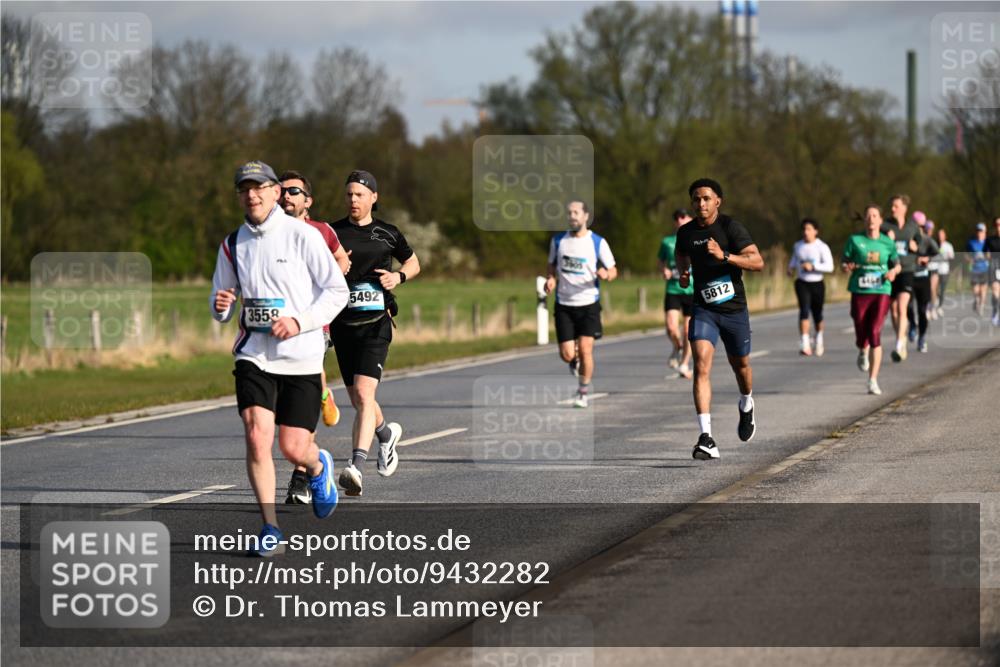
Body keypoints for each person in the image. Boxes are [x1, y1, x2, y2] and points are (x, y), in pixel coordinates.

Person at [211, 160, 348, 555]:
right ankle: (270, 528)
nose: (251, 195)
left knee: (292, 448)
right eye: (244, 189)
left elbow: (336, 292)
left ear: (275, 192)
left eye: (259, 187)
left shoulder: (303, 236)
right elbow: (220, 300)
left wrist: (300, 322)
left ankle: (318, 465)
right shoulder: (232, 243)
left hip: (301, 358)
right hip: (253, 355)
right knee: (257, 437)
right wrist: (220, 306)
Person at [331, 170, 418, 497]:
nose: (353, 200)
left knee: (365, 396)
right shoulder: (333, 233)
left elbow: (414, 262)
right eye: (349, 194)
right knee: (357, 399)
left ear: (373, 198)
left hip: (376, 325)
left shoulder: (388, 233)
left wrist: (398, 278)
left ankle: (355, 466)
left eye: (359, 194)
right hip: (343, 327)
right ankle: (386, 436)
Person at [675, 178, 764, 460]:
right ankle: (706, 438)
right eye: (696, 199)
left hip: (734, 310)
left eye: (705, 198)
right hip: (704, 309)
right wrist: (684, 271)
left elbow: (757, 262)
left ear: (717, 201)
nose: (700, 203)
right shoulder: (686, 232)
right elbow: (681, 254)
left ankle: (746, 402)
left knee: (742, 366)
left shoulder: (730, 227)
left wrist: (724, 255)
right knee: (701, 364)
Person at [278, 170, 352, 505]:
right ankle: (323, 391)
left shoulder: (321, 231)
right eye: (281, 191)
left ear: (308, 201)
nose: (286, 196)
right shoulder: (268, 233)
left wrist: (330, 279)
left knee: (301, 401)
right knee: (284, 405)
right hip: (276, 333)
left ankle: (300, 478)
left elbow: (341, 261)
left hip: (311, 328)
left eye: (294, 191)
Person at [545, 199, 618, 407]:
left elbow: (613, 269)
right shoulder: (558, 241)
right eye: (569, 213)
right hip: (564, 304)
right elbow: (551, 265)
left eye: (576, 212)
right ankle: (574, 361)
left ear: (586, 216)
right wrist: (550, 279)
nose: (572, 216)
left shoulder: (597, 242)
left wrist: (606, 274)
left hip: (588, 303)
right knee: (567, 354)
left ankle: (583, 391)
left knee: (586, 349)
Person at [842, 205, 900, 396]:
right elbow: (844, 262)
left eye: (875, 216)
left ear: (880, 220)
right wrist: (847, 266)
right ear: (865, 220)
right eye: (868, 216)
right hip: (860, 290)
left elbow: (897, 265)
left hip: (881, 290)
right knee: (861, 327)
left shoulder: (887, 242)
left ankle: (873, 380)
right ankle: (862, 349)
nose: (871, 219)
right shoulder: (855, 240)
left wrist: (893, 272)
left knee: (875, 331)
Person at [881, 195, 921, 362]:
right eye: (891, 206)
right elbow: (877, 243)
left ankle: (899, 343)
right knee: (894, 309)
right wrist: (886, 238)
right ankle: (902, 338)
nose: (892, 209)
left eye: (896, 206)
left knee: (902, 306)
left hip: (907, 270)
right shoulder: (885, 226)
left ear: (904, 208)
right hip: (890, 270)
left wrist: (915, 246)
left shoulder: (913, 226)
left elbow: (921, 244)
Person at [786, 218, 834, 356]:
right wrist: (790, 268)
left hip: (817, 284)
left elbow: (830, 267)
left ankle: (819, 338)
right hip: (802, 283)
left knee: (817, 314)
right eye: (804, 229)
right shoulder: (798, 246)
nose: (806, 232)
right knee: (804, 310)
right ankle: (805, 343)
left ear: (815, 231)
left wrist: (813, 266)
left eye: (809, 229)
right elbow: (794, 259)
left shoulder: (822, 247)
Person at [658, 208, 694, 378]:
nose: (679, 220)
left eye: (682, 216)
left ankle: (685, 364)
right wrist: (663, 270)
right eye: (676, 217)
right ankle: (677, 346)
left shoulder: (697, 239)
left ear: (689, 218)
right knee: (672, 328)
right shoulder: (667, 241)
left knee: (688, 331)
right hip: (673, 287)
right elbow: (661, 261)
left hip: (692, 290)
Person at [910, 225, 940, 353]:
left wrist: (927, 258)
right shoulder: (906, 239)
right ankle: (912, 324)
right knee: (908, 307)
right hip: (908, 277)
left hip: (923, 278)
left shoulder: (927, 240)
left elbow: (938, 254)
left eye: (921, 227)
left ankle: (922, 338)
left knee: (922, 311)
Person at [967, 223, 990, 317]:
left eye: (981, 231)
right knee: (976, 290)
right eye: (978, 231)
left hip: (985, 268)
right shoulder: (971, 243)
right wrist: (970, 260)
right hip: (974, 269)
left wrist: (988, 257)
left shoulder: (988, 243)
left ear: (985, 232)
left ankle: (981, 306)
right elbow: (966, 254)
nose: (979, 233)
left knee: (983, 290)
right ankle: (976, 300)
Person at [932, 227, 955, 317]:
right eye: (938, 235)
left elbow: (952, 257)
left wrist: (949, 257)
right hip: (934, 270)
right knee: (933, 289)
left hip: (944, 270)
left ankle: (939, 306)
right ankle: (933, 305)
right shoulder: (934, 244)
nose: (940, 236)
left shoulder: (948, 246)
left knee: (942, 290)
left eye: (942, 235)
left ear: (945, 236)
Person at [987, 217, 1000, 326]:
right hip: (994, 267)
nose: (998, 227)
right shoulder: (990, 240)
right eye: (997, 224)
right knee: (995, 292)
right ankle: (995, 312)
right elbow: (984, 252)